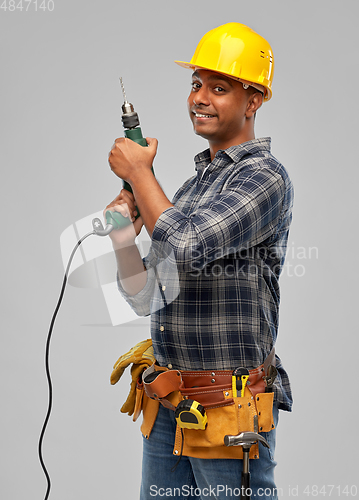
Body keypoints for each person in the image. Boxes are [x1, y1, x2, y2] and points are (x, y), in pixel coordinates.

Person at [106, 23, 293, 500]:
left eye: (219, 87)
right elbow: (144, 295)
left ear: (253, 101)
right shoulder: (189, 191)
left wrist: (142, 175)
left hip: (227, 412)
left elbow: (189, 244)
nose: (200, 98)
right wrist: (122, 233)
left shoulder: (264, 180)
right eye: (195, 85)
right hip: (169, 406)